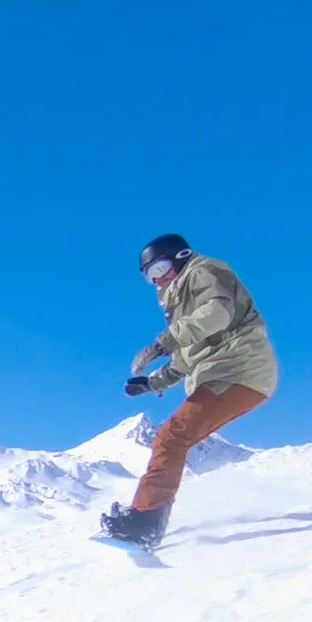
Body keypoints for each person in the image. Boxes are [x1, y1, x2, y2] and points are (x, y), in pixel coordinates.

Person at [101, 234, 279, 550]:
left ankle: (145, 521)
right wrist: (152, 383)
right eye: (150, 277)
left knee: (172, 436)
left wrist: (162, 342)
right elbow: (187, 357)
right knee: (173, 438)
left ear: (181, 257)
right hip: (228, 374)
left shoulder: (204, 271)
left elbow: (217, 314)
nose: (158, 281)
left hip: (239, 370)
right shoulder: (182, 304)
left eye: (161, 269)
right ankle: (148, 517)